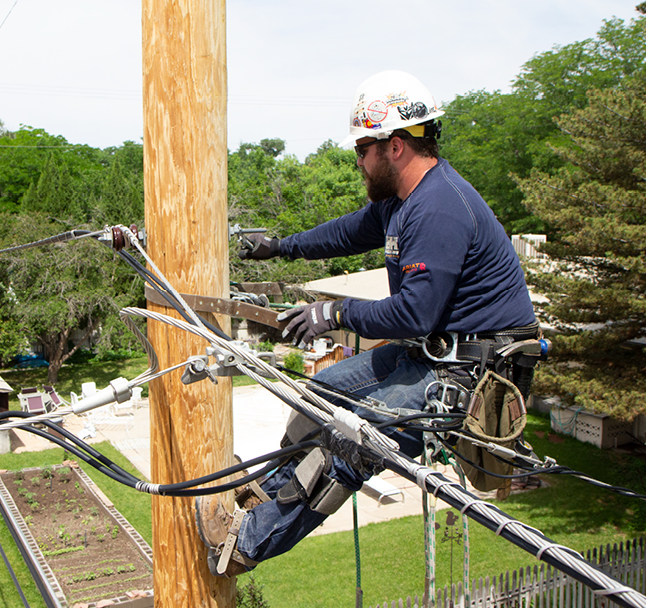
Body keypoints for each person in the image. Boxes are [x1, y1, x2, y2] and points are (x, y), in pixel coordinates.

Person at [195, 70, 538, 577]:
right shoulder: (402, 201)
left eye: (363, 149)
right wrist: (280, 246)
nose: (358, 161)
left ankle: (245, 542)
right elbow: (347, 232)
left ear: (395, 146)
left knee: (352, 440)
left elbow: (414, 313)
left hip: (473, 371)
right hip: (436, 351)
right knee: (320, 395)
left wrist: (334, 312)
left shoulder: (439, 207)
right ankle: (260, 497)